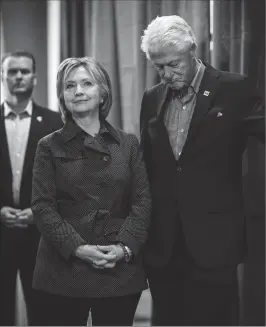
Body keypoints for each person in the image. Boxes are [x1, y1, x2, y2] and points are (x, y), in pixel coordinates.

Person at [139, 15, 264, 326]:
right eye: (159, 67)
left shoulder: (235, 89)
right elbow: (148, 164)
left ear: (192, 50)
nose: (166, 74)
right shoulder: (152, 98)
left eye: (173, 64)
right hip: (164, 244)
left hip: (214, 242)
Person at [30, 56, 151, 326]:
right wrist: (78, 248)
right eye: (70, 86)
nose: (78, 91)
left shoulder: (128, 144)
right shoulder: (48, 146)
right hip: (63, 268)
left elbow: (142, 203)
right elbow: (42, 206)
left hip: (117, 268)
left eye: (87, 83)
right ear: (62, 96)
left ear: (102, 92)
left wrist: (124, 249)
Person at [0, 50, 62, 326]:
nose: (18, 76)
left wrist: (37, 212)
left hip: (39, 235)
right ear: (3, 77)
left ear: (35, 78)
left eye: (24, 71)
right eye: (12, 71)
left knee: (42, 311)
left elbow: (63, 180)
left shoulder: (54, 123)